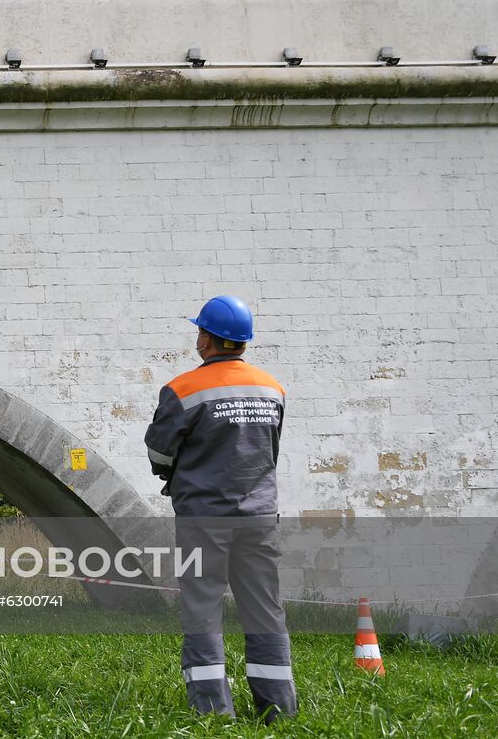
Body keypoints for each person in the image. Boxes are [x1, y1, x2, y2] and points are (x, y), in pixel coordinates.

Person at [144, 295, 297, 723]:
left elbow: (159, 453)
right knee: (265, 608)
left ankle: (213, 712)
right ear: (242, 343)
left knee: (203, 607)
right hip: (260, 516)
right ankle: (278, 710)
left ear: (207, 339)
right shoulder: (273, 388)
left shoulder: (183, 389)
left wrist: (173, 475)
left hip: (204, 518)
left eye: (199, 331)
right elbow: (270, 450)